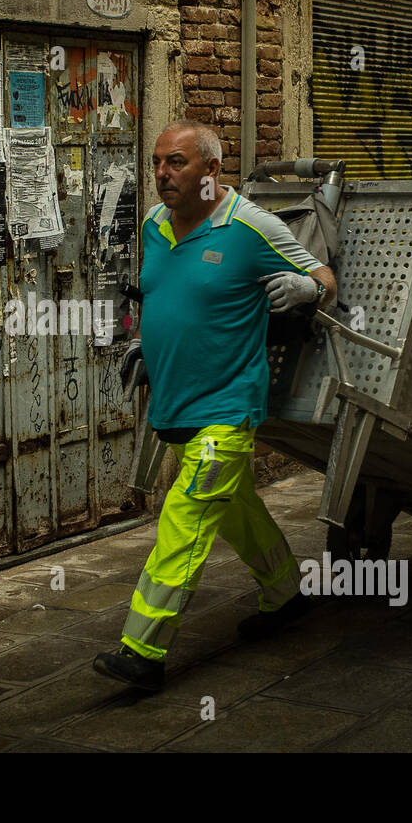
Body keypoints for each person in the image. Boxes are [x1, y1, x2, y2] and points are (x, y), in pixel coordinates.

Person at [92, 119, 338, 691]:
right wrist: (147, 345)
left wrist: (307, 289)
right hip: (175, 405)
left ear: (211, 169)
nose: (161, 175)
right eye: (157, 162)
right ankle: (285, 594)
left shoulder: (250, 225)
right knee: (235, 510)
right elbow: (166, 297)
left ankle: (142, 650)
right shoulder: (155, 225)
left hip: (228, 406)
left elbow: (323, 277)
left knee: (186, 515)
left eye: (175, 162)